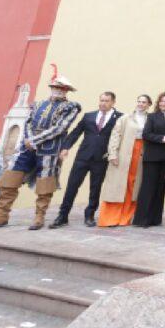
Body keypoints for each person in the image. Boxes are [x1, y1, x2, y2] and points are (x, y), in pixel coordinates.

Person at [0, 69, 81, 230]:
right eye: (55, 86)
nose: (58, 90)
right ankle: (1, 215)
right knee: (9, 180)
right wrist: (29, 139)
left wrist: (35, 140)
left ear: (67, 91)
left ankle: (39, 217)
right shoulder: (38, 104)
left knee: (45, 185)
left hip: (49, 150)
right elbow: (28, 123)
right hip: (26, 148)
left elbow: (60, 128)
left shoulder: (71, 107)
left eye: (62, 88)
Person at [51, 91, 121, 228]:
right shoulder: (89, 116)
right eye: (101, 100)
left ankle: (89, 215)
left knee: (95, 188)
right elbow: (76, 132)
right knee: (72, 186)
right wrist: (66, 147)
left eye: (106, 101)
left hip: (101, 158)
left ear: (113, 102)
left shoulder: (119, 118)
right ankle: (62, 215)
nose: (103, 103)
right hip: (82, 157)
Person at [97, 95, 151, 227]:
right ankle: (110, 218)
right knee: (117, 185)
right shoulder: (125, 118)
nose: (141, 104)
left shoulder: (150, 119)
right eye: (139, 101)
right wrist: (113, 154)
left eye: (144, 102)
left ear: (149, 104)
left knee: (133, 186)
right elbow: (115, 136)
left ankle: (125, 218)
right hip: (124, 153)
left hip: (140, 154)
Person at [132, 92, 165, 228]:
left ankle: (155, 218)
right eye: (161, 101)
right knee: (148, 188)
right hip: (152, 157)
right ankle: (142, 220)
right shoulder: (152, 117)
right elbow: (146, 134)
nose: (163, 103)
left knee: (161, 188)